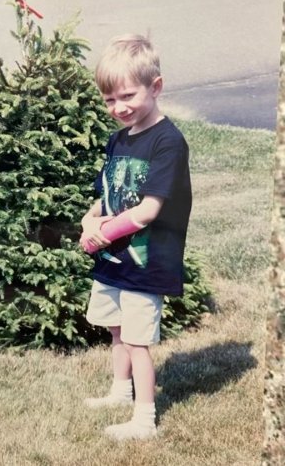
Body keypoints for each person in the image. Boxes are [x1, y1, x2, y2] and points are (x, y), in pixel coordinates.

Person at [80, 34, 192, 440]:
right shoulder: (118, 139)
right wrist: (88, 222)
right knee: (116, 331)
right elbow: (105, 196)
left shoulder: (168, 142)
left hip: (147, 262)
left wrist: (99, 236)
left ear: (156, 87)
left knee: (138, 341)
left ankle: (144, 421)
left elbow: (147, 210)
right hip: (115, 260)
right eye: (109, 100)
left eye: (127, 96)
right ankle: (119, 392)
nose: (118, 108)